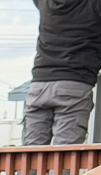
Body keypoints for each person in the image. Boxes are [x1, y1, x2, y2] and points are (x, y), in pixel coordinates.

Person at [25, 0, 101, 145]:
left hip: (38, 87)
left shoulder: (46, 3)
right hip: (74, 84)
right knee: (66, 154)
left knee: (31, 154)